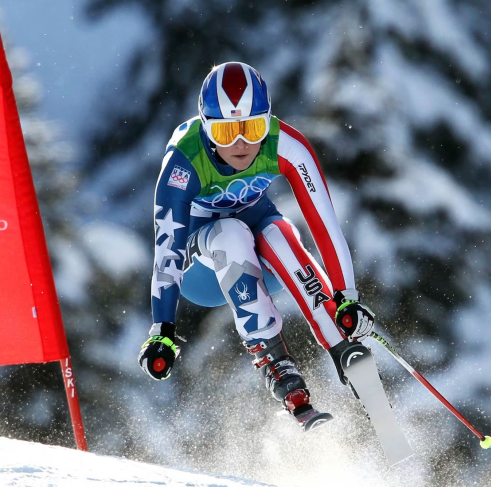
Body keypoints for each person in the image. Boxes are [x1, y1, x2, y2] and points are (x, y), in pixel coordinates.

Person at [138, 62, 375, 430]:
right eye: (225, 131)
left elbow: (326, 226)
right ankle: (278, 367)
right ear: (205, 126)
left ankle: (342, 344)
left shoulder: (287, 144)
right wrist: (162, 330)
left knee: (279, 233)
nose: (241, 143)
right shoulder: (183, 161)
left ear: (268, 120)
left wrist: (347, 296)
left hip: (264, 254)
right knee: (231, 232)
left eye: (252, 127)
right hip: (206, 273)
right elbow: (167, 252)